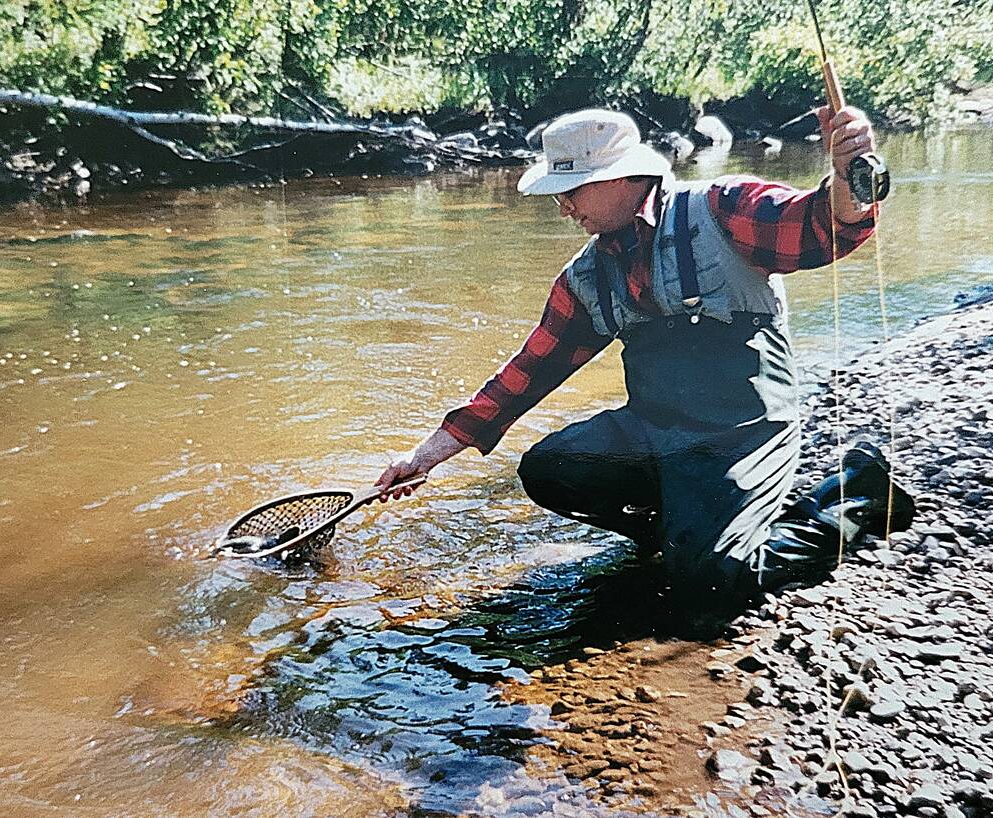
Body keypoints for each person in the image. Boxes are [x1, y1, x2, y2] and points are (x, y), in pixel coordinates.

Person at [374, 106, 915, 612]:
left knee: (716, 582)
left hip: (745, 430)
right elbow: (525, 375)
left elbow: (821, 227)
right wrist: (424, 457)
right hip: (657, 430)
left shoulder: (720, 209)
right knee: (549, 468)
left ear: (626, 178)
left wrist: (848, 179)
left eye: (572, 190)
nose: (564, 207)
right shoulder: (584, 278)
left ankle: (855, 491)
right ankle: (681, 530)